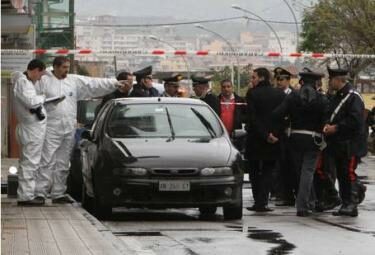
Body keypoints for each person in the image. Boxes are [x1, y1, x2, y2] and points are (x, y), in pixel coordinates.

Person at [35, 56, 129, 203]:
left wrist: (115, 83)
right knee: (46, 160)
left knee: (64, 161)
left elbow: (93, 83)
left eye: (68, 67)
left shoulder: (73, 81)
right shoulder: (44, 80)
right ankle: (40, 193)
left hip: (68, 127)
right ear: (56, 67)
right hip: (51, 127)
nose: (67, 70)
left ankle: (58, 193)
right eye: (64, 67)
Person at [273, 68, 328, 216]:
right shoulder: (321, 98)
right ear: (316, 82)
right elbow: (326, 120)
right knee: (308, 172)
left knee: (301, 172)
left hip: (295, 138)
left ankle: (311, 201)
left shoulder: (293, 97)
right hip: (313, 139)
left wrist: (286, 123)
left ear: (301, 81)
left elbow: (277, 114)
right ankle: (303, 206)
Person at [323, 67, 367, 217]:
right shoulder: (338, 96)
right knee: (342, 174)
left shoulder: (353, 97)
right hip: (338, 144)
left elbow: (355, 120)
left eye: (331, 79)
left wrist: (336, 127)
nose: (329, 82)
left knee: (348, 173)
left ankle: (351, 203)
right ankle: (346, 201)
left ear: (338, 80)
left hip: (350, 144)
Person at [245, 67, 285, 212]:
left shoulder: (252, 94)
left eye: (254, 77)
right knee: (269, 171)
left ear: (261, 78)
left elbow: (252, 118)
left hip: (256, 139)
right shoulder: (279, 94)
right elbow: (283, 117)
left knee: (254, 171)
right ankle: (263, 200)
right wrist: (275, 134)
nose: (252, 80)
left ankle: (258, 201)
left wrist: (264, 134)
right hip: (274, 139)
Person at [12, 59, 47, 205]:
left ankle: (26, 194)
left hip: (32, 129)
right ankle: (26, 196)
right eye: (40, 74)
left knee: (29, 162)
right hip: (31, 130)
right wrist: (43, 97)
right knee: (30, 163)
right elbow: (31, 102)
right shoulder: (23, 83)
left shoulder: (26, 82)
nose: (40, 78)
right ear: (35, 70)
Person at [272, 67, 297, 206]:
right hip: (279, 134)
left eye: (281, 79)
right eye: (277, 79)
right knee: (281, 167)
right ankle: (284, 194)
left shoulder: (294, 94)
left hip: (291, 134)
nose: (279, 82)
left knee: (292, 166)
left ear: (288, 80)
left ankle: (293, 194)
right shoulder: (275, 94)